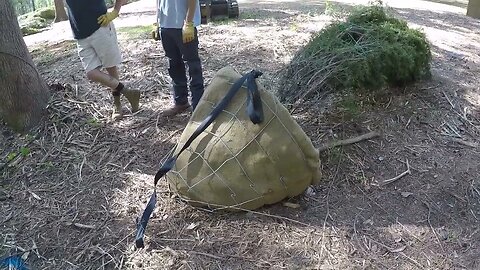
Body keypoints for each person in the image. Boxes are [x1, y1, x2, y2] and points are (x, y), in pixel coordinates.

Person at [65, 0, 140, 121]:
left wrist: (115, 11)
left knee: (110, 67)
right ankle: (129, 93)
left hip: (101, 27)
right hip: (80, 34)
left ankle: (117, 104)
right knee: (91, 73)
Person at [152, 0, 205, 116]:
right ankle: (181, 101)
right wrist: (157, 21)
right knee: (174, 65)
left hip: (184, 24)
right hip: (165, 26)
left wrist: (189, 22)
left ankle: (199, 106)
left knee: (192, 66)